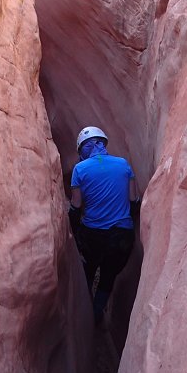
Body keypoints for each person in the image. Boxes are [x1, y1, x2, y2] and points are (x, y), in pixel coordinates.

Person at [68, 126, 139, 324]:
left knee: (88, 270)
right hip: (122, 235)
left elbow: (76, 205)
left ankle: (85, 315)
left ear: (82, 149)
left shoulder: (80, 169)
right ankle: (98, 313)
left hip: (93, 235)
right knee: (108, 276)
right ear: (103, 143)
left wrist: (73, 231)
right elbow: (133, 200)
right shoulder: (123, 164)